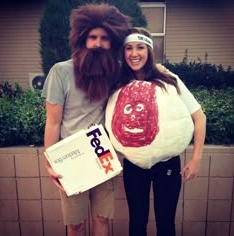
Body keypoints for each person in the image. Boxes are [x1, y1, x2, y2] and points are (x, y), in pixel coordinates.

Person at [105, 27, 206, 236]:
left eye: (140, 47)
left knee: (166, 223)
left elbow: (199, 117)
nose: (134, 54)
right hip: (134, 165)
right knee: (137, 223)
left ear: (149, 50)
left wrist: (196, 159)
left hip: (167, 165)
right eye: (129, 48)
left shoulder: (170, 80)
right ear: (123, 53)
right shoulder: (117, 84)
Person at [41, 3, 130, 236]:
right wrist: (50, 162)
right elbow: (53, 122)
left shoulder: (117, 72)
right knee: (75, 224)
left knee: (102, 220)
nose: (98, 44)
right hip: (71, 159)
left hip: (104, 155)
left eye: (104, 38)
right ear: (82, 39)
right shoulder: (60, 72)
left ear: (112, 42)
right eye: (92, 37)